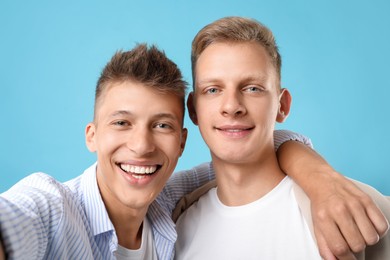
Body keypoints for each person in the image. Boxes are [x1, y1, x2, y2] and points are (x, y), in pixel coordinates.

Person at [0, 43, 387, 259]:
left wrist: (320, 180)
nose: (141, 145)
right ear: (91, 135)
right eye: (122, 122)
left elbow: (249, 153)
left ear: (183, 140)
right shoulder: (52, 207)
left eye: (162, 125)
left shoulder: (172, 199)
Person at [174, 16, 390, 260]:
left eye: (252, 88)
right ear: (193, 109)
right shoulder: (174, 231)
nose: (232, 106)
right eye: (213, 90)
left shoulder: (353, 207)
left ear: (282, 106)